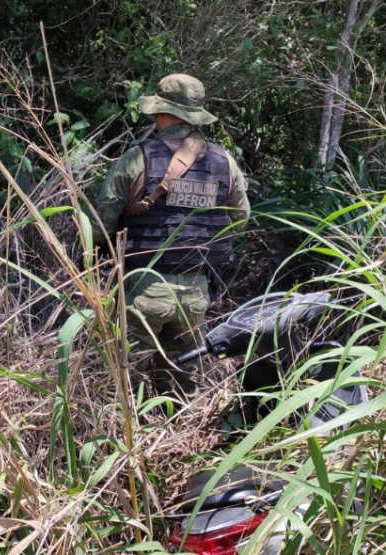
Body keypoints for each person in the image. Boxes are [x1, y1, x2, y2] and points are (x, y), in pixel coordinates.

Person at [89, 73, 250, 400]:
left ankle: (125, 446)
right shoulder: (224, 162)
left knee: (124, 384)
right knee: (181, 383)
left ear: (162, 112)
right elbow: (241, 220)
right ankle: (178, 443)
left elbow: (100, 223)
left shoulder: (139, 157)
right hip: (196, 293)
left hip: (144, 288)